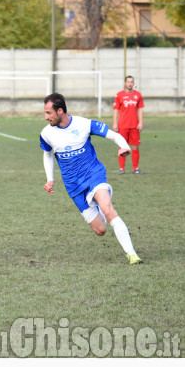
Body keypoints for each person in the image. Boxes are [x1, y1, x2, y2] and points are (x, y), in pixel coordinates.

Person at [40, 93, 142, 265]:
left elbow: (113, 135)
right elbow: (47, 155)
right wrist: (50, 179)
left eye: (49, 113)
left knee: (109, 210)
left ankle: (132, 254)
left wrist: (124, 146)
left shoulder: (83, 124)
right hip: (73, 186)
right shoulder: (46, 133)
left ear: (59, 111)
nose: (46, 117)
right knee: (101, 230)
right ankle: (100, 205)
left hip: (93, 174)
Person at [113, 75, 144, 174]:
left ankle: (135, 168)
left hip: (134, 125)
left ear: (133, 84)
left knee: (135, 146)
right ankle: (122, 168)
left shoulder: (138, 95)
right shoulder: (119, 95)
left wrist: (140, 122)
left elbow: (140, 109)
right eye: (128, 82)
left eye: (131, 82)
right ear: (125, 83)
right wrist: (115, 123)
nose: (130, 83)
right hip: (123, 125)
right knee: (122, 147)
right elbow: (116, 110)